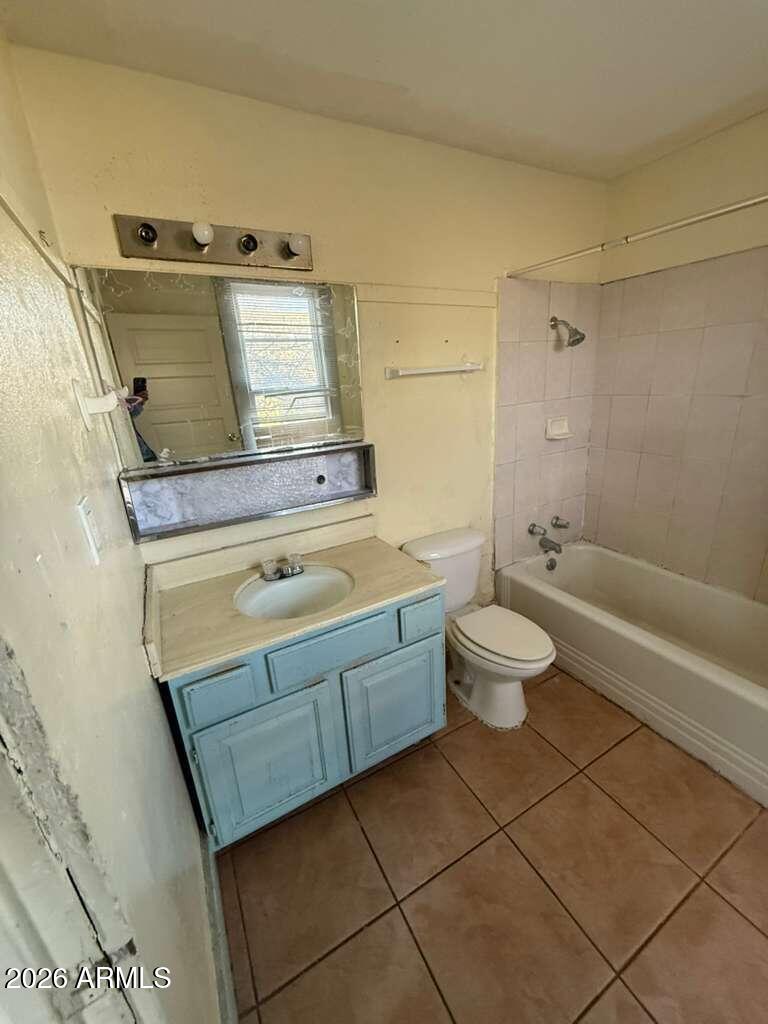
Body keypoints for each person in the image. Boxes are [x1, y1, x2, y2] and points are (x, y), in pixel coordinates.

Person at [125, 378, 157, 462]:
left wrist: (139, 401)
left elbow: (128, 415)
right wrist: (139, 401)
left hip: (144, 456)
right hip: (144, 456)